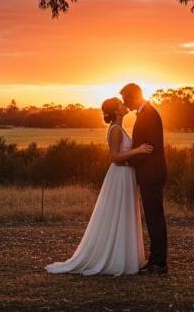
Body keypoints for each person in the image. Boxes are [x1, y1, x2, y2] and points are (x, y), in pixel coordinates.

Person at [45, 97, 153, 276]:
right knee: (117, 214)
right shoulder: (116, 130)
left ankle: (123, 256)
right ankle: (114, 258)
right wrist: (138, 150)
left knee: (123, 214)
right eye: (121, 104)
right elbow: (114, 157)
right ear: (116, 111)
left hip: (126, 175)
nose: (125, 105)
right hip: (120, 175)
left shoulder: (119, 128)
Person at [121, 82, 168, 274]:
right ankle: (156, 260)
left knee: (154, 218)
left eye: (126, 99)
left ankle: (159, 262)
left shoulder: (149, 115)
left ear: (134, 96)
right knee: (152, 218)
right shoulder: (145, 113)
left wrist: (128, 161)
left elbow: (150, 147)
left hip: (152, 174)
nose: (125, 103)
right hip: (149, 174)